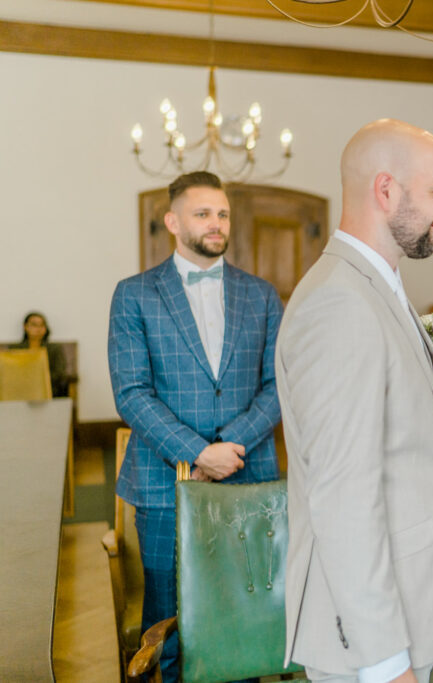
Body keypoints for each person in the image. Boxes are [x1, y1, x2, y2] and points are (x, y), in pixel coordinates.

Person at [275, 119, 433, 683]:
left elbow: (415, 462)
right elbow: (344, 497)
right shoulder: (340, 305)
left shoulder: (379, 289)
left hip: (411, 602)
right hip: (366, 641)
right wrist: (382, 662)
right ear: (386, 190)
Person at [108, 171, 283, 682]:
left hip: (248, 476)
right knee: (169, 614)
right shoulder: (134, 294)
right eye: (203, 213)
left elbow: (277, 384)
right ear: (172, 221)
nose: (216, 223)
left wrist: (233, 445)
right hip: (166, 483)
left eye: (222, 213)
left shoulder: (262, 294)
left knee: (246, 608)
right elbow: (131, 393)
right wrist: (198, 453)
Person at [12, 311, 69, 397]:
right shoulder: (15, 349)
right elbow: (11, 373)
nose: (38, 329)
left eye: (42, 325)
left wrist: (39, 380)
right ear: (25, 327)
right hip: (21, 389)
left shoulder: (54, 349)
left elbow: (59, 372)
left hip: (49, 388)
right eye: (34, 325)